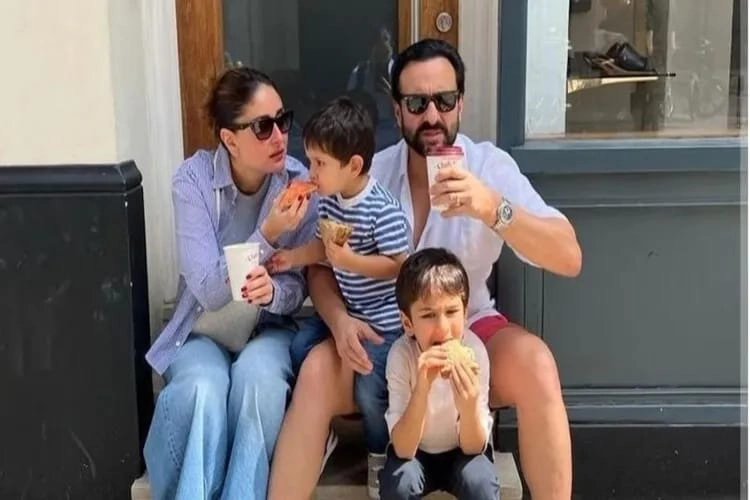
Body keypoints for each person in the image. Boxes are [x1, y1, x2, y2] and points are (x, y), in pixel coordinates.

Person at [273, 39, 583, 500]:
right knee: (317, 371)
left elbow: (568, 255)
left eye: (445, 100)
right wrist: (339, 322)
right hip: (381, 332)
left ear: (462, 104)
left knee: (537, 364)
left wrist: (491, 207)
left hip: (467, 325)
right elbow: (322, 264)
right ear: (397, 110)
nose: (432, 116)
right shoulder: (369, 174)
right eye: (417, 103)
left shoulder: (489, 167)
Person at [143, 67, 317, 500]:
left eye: (283, 120)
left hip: (268, 330)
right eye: (263, 127)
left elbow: (299, 286)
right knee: (201, 390)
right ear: (229, 139)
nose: (279, 136)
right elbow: (207, 288)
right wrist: (268, 234)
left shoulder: (297, 183)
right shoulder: (194, 181)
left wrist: (274, 293)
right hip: (204, 327)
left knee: (259, 384)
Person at [267, 96, 410, 500]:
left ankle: (380, 451)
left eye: (320, 163)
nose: (310, 172)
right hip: (349, 309)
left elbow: (400, 265)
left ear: (354, 166)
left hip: (383, 322)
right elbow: (322, 247)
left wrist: (352, 262)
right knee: (299, 346)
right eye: (310, 160)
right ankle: (322, 427)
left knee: (371, 389)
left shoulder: (382, 210)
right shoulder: (330, 200)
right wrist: (292, 257)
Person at [379, 248, 499, 500]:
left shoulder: (475, 351)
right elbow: (403, 449)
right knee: (400, 482)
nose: (443, 328)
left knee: (481, 481)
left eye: (452, 312)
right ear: (408, 323)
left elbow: (474, 446)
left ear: (465, 313)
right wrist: (422, 389)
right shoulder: (401, 356)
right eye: (428, 315)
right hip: (416, 452)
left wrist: (469, 406)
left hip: (463, 451)